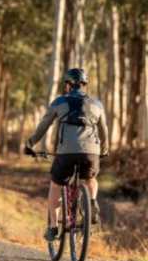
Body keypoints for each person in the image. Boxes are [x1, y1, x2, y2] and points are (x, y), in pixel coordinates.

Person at [25, 68, 109, 241]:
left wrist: (30, 144)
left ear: (69, 84)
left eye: (66, 84)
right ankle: (92, 202)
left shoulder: (59, 102)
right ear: (84, 85)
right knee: (90, 178)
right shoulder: (97, 104)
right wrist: (104, 150)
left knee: (56, 185)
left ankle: (54, 228)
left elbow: (44, 125)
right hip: (91, 151)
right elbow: (104, 130)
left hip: (67, 152)